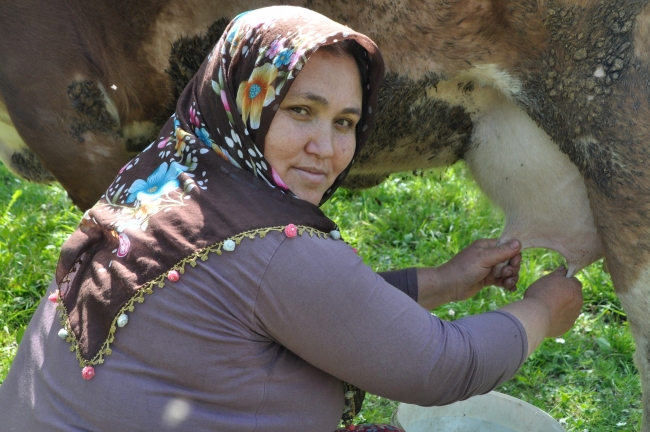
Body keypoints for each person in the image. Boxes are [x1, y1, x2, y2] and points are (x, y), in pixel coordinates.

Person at [0, 6, 583, 432]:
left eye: (345, 123)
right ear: (243, 101)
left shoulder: (166, 177)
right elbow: (441, 367)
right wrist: (540, 312)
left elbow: (299, 310)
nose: (325, 149)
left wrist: (445, 280)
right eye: (300, 111)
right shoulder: (272, 249)